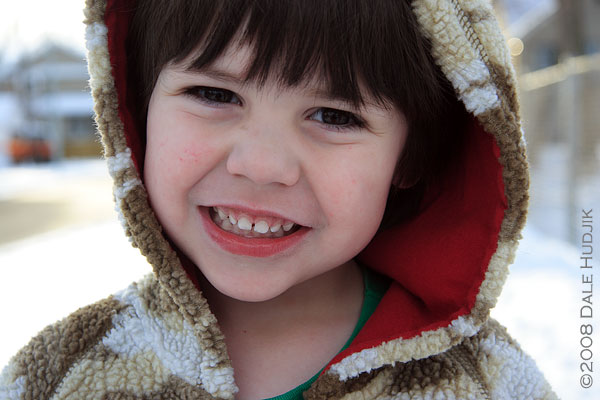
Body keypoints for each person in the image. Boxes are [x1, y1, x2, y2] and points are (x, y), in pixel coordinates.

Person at [0, 0, 558, 399]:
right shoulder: (61, 375)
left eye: (335, 116)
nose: (261, 165)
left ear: (412, 159)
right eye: (214, 94)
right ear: (135, 109)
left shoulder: (487, 384)